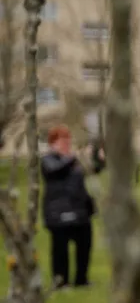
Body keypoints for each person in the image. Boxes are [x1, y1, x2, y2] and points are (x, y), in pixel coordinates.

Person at [40, 124, 100, 289]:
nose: (66, 143)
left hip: (80, 211)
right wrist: (75, 157)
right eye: (62, 140)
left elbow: (93, 170)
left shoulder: (74, 161)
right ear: (53, 143)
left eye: (68, 140)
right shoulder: (48, 160)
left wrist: (97, 157)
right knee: (60, 250)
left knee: (84, 247)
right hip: (58, 213)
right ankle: (61, 281)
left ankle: (81, 279)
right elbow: (56, 171)